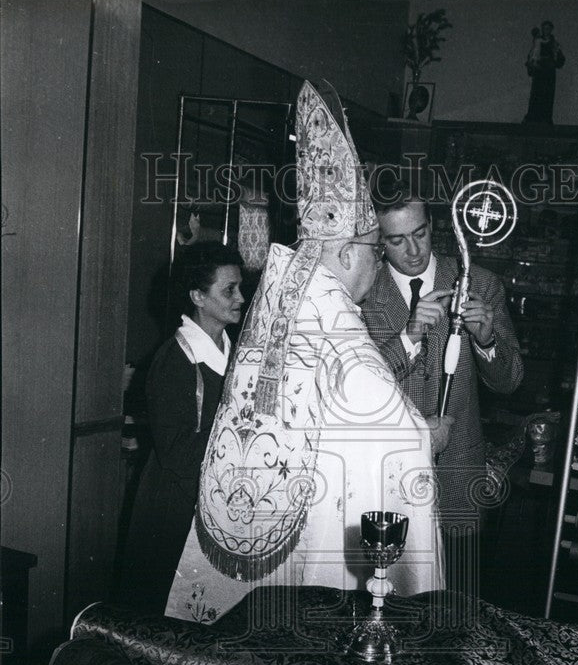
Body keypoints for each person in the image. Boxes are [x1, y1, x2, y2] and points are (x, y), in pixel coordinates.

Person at [164, 82, 444, 622]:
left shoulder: (281, 307)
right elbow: (398, 436)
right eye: (372, 250)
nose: (374, 265)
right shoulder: (334, 319)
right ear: (345, 250)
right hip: (317, 556)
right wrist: (426, 432)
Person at [361, 181, 523, 598]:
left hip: (458, 481)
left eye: (420, 234)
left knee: (457, 607)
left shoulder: (479, 284)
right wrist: (409, 335)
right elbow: (357, 390)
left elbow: (510, 381)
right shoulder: (361, 294)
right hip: (387, 480)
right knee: (387, 597)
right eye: (397, 241)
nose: (414, 251)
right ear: (379, 242)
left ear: (434, 225)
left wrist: (487, 341)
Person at [120, 243, 244, 612]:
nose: (240, 297)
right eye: (229, 290)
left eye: (239, 287)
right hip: (174, 508)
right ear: (198, 297)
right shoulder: (174, 361)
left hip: (215, 500)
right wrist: (242, 434)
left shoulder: (233, 350)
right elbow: (179, 454)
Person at [524, 20, 565, 124]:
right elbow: (532, 56)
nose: (546, 30)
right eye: (544, 28)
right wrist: (531, 65)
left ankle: (545, 120)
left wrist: (554, 62)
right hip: (539, 71)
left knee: (548, 96)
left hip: (549, 73)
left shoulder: (554, 43)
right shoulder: (537, 42)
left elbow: (560, 59)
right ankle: (532, 119)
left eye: (548, 28)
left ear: (551, 30)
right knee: (536, 95)